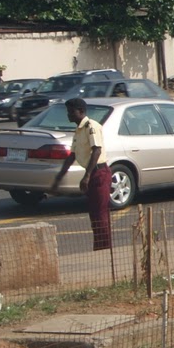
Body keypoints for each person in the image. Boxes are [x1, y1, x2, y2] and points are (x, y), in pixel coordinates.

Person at [52, 97, 111, 251]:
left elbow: (96, 150)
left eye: (71, 112)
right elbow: (72, 155)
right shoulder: (78, 130)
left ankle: (104, 248)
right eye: (68, 112)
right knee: (94, 214)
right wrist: (59, 177)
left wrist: (87, 176)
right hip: (92, 173)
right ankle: (99, 247)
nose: (68, 115)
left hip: (99, 173)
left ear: (81, 111)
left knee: (101, 214)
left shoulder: (91, 126)